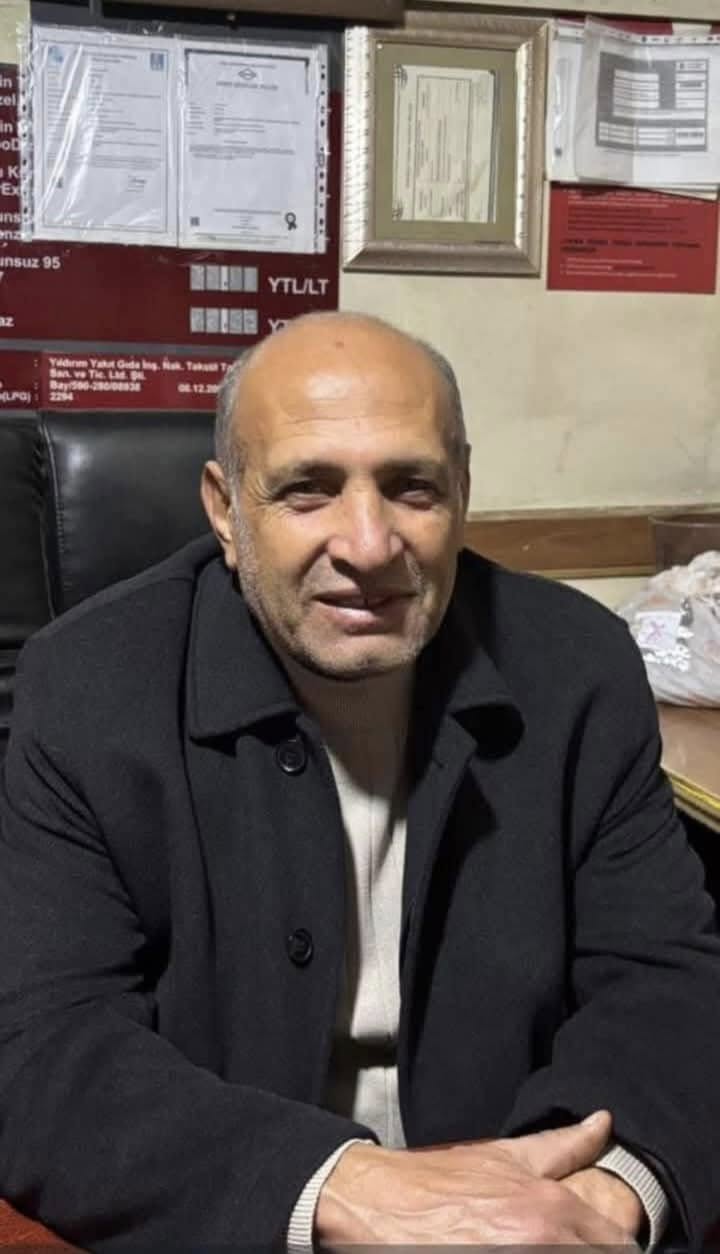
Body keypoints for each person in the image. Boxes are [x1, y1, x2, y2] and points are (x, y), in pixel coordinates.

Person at [1, 312, 719, 1252]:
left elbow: (671, 985)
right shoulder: (88, 688)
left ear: (463, 490)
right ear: (224, 510)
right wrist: (338, 1188)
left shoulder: (579, 667)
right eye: (308, 490)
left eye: (412, 486)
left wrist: (601, 1197)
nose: (370, 544)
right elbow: (43, 1045)